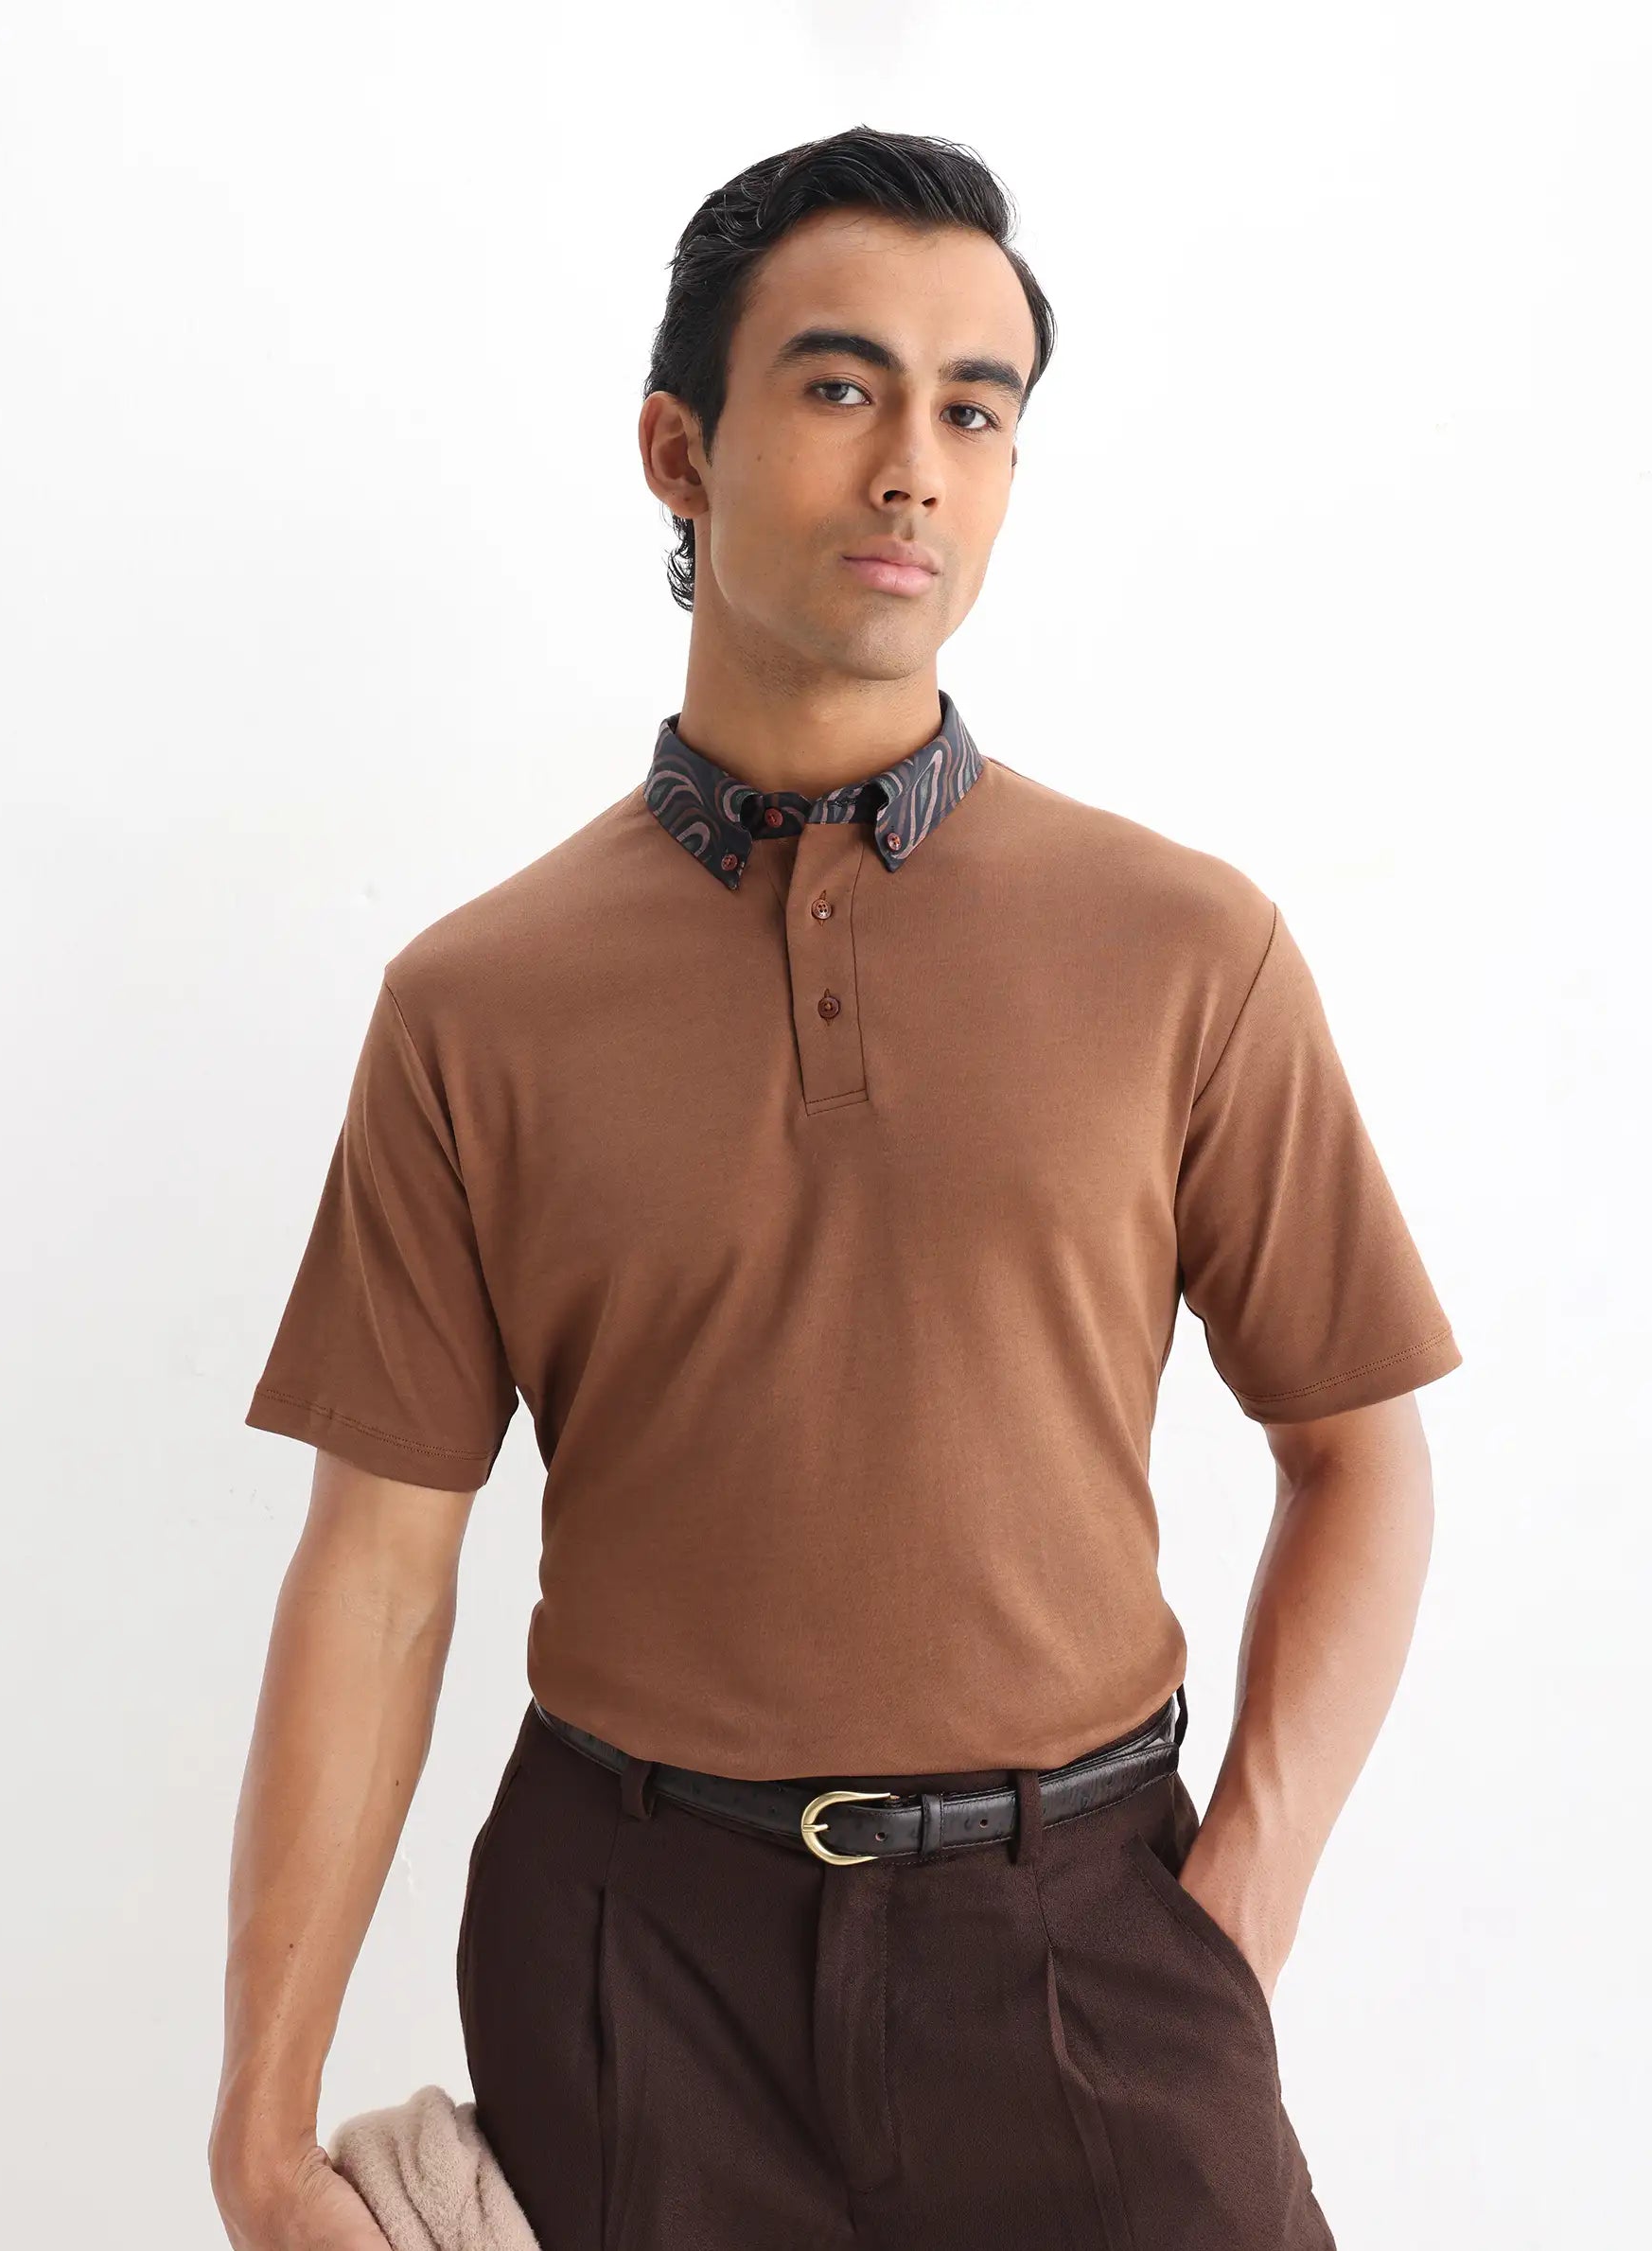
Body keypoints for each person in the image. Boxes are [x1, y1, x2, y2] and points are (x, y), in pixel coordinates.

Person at [210, 125, 1462, 2251]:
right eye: (842, 385)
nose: (915, 469)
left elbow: (1359, 1450)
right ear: (675, 452)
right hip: (631, 1966)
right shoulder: (474, 1005)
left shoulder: (1187, 948)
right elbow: (381, 1571)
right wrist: (260, 2126)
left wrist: (1226, 1925)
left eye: (977, 410)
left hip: (1087, 1940)